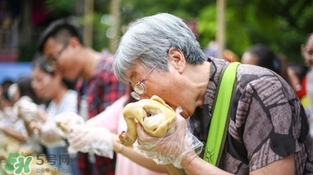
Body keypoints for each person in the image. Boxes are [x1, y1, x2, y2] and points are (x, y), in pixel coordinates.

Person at [112, 13, 313, 174]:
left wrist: (186, 158)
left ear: (176, 59)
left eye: (140, 84)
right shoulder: (186, 110)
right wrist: (167, 154)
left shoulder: (259, 90)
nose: (143, 99)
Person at [37, 18, 127, 175]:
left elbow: (123, 136)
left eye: (54, 58)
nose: (55, 68)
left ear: (73, 44)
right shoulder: (81, 84)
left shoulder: (113, 73)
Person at [26, 55, 79, 174]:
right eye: (33, 81)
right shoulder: (52, 106)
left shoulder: (72, 99)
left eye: (39, 80)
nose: (34, 85)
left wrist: (38, 114)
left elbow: (67, 132)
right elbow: (36, 140)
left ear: (57, 75)